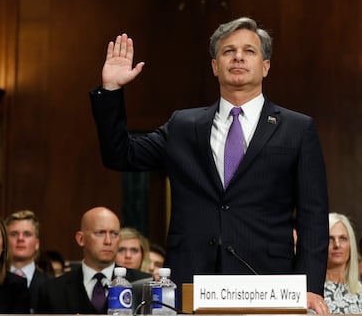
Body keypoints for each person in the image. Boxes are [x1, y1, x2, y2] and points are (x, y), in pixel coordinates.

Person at [89, 17, 330, 313]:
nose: (238, 57)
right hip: (192, 279)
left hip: (267, 282)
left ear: (266, 66)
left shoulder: (297, 128)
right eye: (228, 51)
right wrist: (111, 91)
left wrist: (307, 288)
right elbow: (120, 154)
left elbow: (313, 217)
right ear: (215, 66)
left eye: (249, 51)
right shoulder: (183, 125)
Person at [37, 207, 151, 314]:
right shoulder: (53, 290)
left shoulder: (143, 285)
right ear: (81, 239)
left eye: (114, 234)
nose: (108, 241)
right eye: (100, 233)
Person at [324, 213, 362, 314]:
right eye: (330, 239)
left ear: (351, 245)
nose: (337, 244)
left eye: (343, 238)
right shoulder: (308, 292)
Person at [5, 209, 52, 312]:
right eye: (14, 234)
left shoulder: (51, 285)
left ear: (37, 243)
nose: (20, 239)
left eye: (27, 234)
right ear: (4, 241)